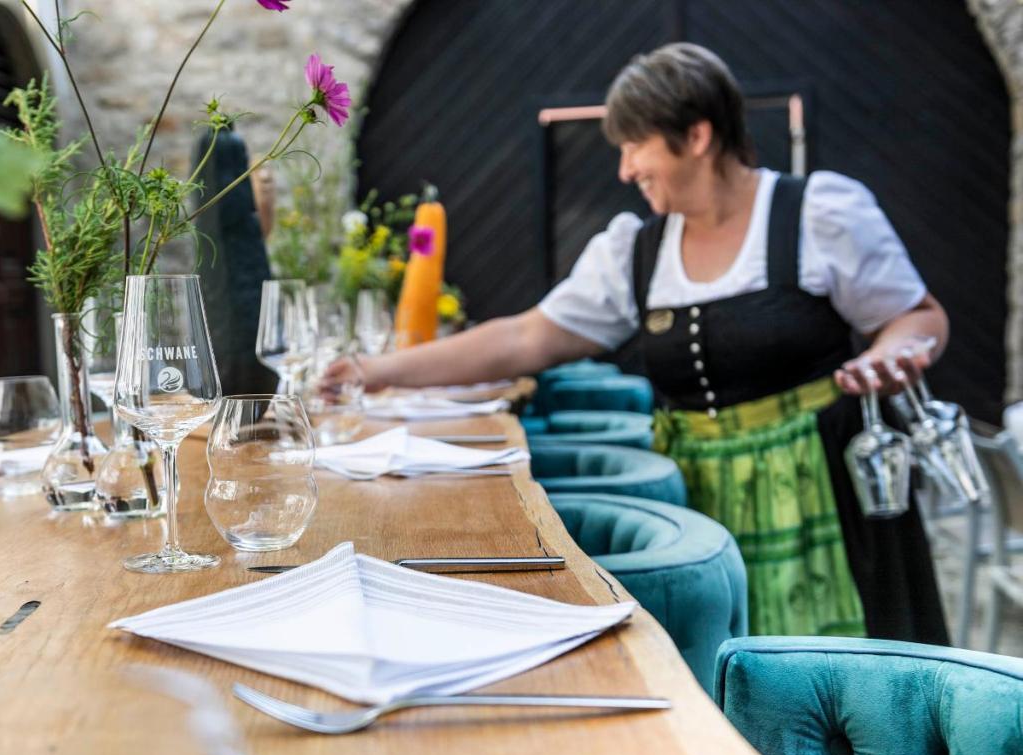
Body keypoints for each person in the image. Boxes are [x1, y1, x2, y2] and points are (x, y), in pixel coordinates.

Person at [325, 42, 949, 644]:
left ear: (697, 136)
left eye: (635, 145)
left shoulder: (818, 214)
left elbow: (917, 317)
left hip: (825, 495)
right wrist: (378, 370)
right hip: (701, 505)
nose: (625, 169)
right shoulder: (636, 251)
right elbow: (525, 336)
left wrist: (889, 353)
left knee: (829, 681)